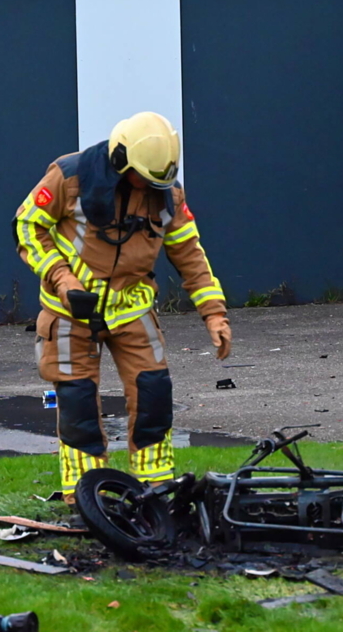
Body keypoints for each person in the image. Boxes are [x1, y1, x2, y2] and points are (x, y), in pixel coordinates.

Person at [14, 111, 231, 502]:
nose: (150, 188)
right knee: (78, 405)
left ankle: (156, 488)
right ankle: (85, 497)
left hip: (133, 310)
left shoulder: (167, 193)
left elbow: (189, 251)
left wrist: (214, 313)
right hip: (70, 313)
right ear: (119, 160)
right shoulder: (69, 177)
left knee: (154, 397)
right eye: (144, 179)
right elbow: (27, 225)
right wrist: (63, 279)